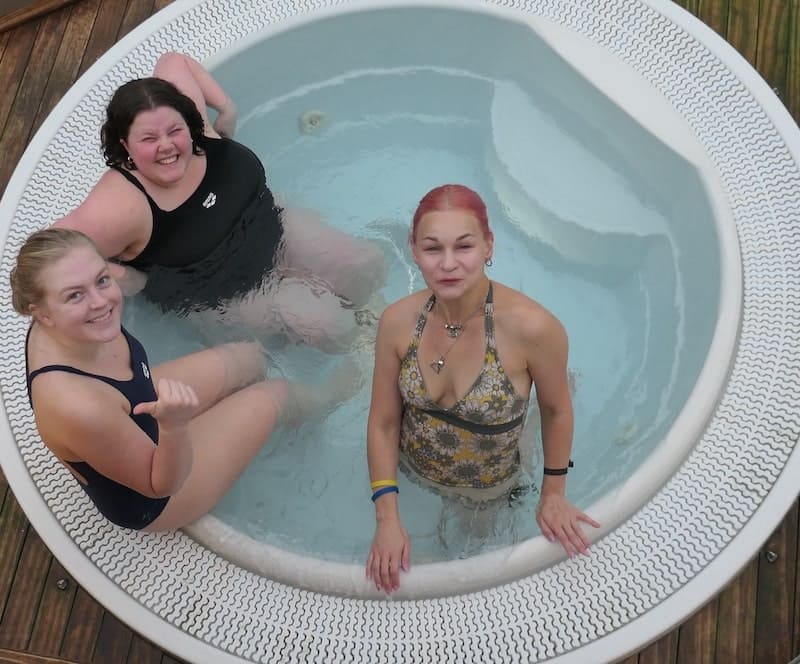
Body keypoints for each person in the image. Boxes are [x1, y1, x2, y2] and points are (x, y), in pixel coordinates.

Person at [12, 228, 349, 531]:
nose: (101, 302)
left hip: (132, 408)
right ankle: (333, 398)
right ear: (40, 312)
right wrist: (174, 427)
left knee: (249, 356)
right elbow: (160, 484)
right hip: (156, 497)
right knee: (276, 394)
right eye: (75, 295)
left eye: (101, 279)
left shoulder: (69, 323)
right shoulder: (78, 406)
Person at [55, 52, 384, 352]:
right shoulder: (120, 204)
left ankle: (371, 320)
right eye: (148, 139)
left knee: (364, 263)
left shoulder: (198, 133)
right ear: (125, 144)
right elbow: (49, 251)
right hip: (223, 291)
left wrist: (227, 109)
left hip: (271, 228)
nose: (167, 146)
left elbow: (173, 62)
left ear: (188, 120)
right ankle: (366, 356)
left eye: (174, 131)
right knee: (328, 325)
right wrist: (121, 278)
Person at [365, 184, 600, 592]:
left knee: (469, 554)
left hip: (487, 485)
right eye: (433, 248)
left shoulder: (533, 328)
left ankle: (542, 411)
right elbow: (384, 423)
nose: (449, 264)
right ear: (414, 250)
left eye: (465, 247)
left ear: (489, 246)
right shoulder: (398, 322)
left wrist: (554, 493)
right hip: (411, 464)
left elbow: (557, 412)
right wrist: (387, 518)